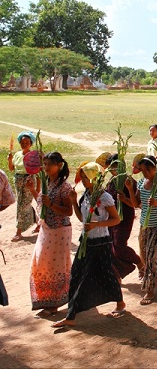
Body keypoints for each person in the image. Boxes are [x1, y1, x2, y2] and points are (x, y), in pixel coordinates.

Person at [52, 162, 125, 327]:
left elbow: (116, 219)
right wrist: (73, 201)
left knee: (103, 274)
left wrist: (96, 225)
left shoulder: (104, 197)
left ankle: (73, 316)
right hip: (86, 242)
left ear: (94, 178)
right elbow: (81, 218)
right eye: (82, 177)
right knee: (76, 274)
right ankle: (71, 315)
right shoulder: (85, 195)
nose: (83, 180)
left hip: (101, 242)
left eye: (86, 177)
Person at [30, 152, 72, 318]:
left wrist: (52, 204)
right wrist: (33, 190)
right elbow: (42, 202)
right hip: (46, 229)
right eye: (44, 164)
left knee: (54, 267)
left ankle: (54, 304)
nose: (46, 167)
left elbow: (69, 211)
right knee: (41, 264)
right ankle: (48, 300)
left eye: (49, 164)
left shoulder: (65, 186)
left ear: (59, 165)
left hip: (59, 231)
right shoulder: (47, 182)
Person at [127, 155, 157, 305]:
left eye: (146, 171)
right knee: (146, 256)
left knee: (151, 257)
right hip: (144, 226)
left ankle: (150, 290)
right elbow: (136, 203)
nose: (144, 174)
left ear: (154, 169)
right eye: (142, 171)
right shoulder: (141, 183)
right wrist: (129, 189)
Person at [105, 154, 142, 280]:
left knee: (119, 245)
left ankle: (139, 262)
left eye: (114, 167)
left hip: (125, 217)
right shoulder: (110, 182)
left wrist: (125, 199)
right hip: (111, 219)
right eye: (110, 168)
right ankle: (119, 273)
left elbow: (136, 203)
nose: (112, 171)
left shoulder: (129, 181)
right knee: (111, 247)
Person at [8, 131, 41, 241]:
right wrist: (9, 161)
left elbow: (38, 173)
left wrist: (37, 188)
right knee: (24, 203)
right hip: (18, 182)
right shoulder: (17, 154)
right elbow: (12, 169)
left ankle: (18, 232)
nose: (24, 144)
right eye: (22, 142)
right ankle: (38, 222)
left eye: (27, 142)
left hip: (29, 181)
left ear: (31, 143)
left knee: (21, 206)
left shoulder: (33, 156)